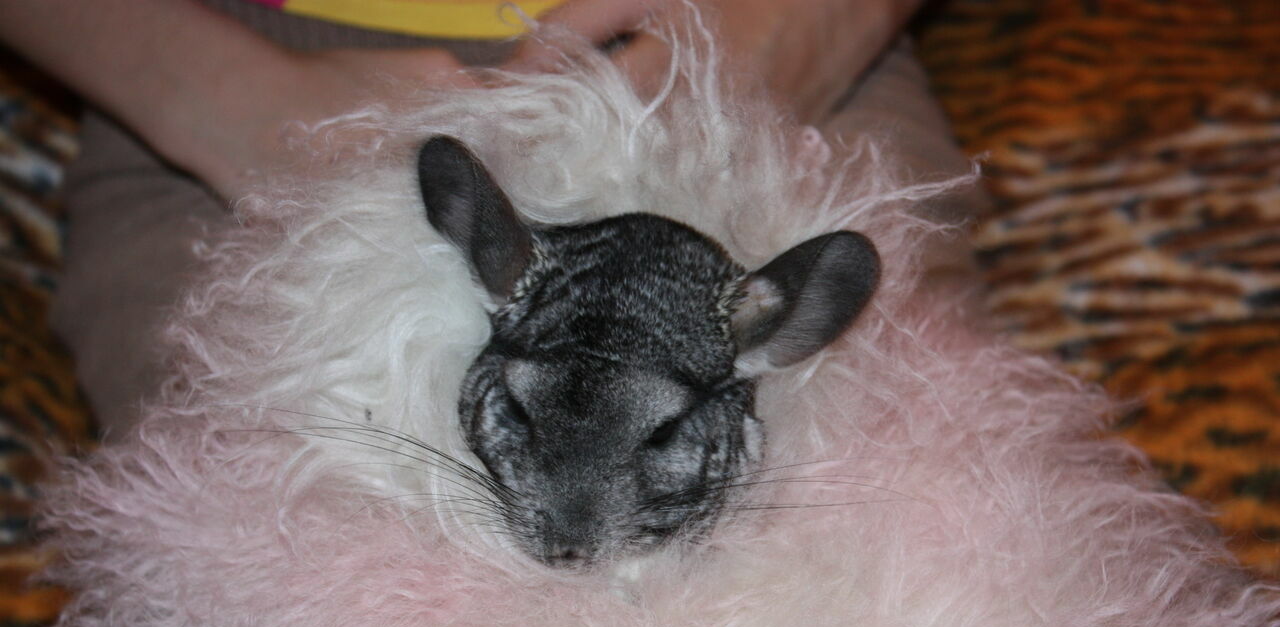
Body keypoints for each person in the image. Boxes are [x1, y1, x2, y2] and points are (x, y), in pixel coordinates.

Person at [0, 0, 976, 432]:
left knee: (913, 619)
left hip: (740, 41)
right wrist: (209, 88)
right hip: (248, 63)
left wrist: (814, 19)